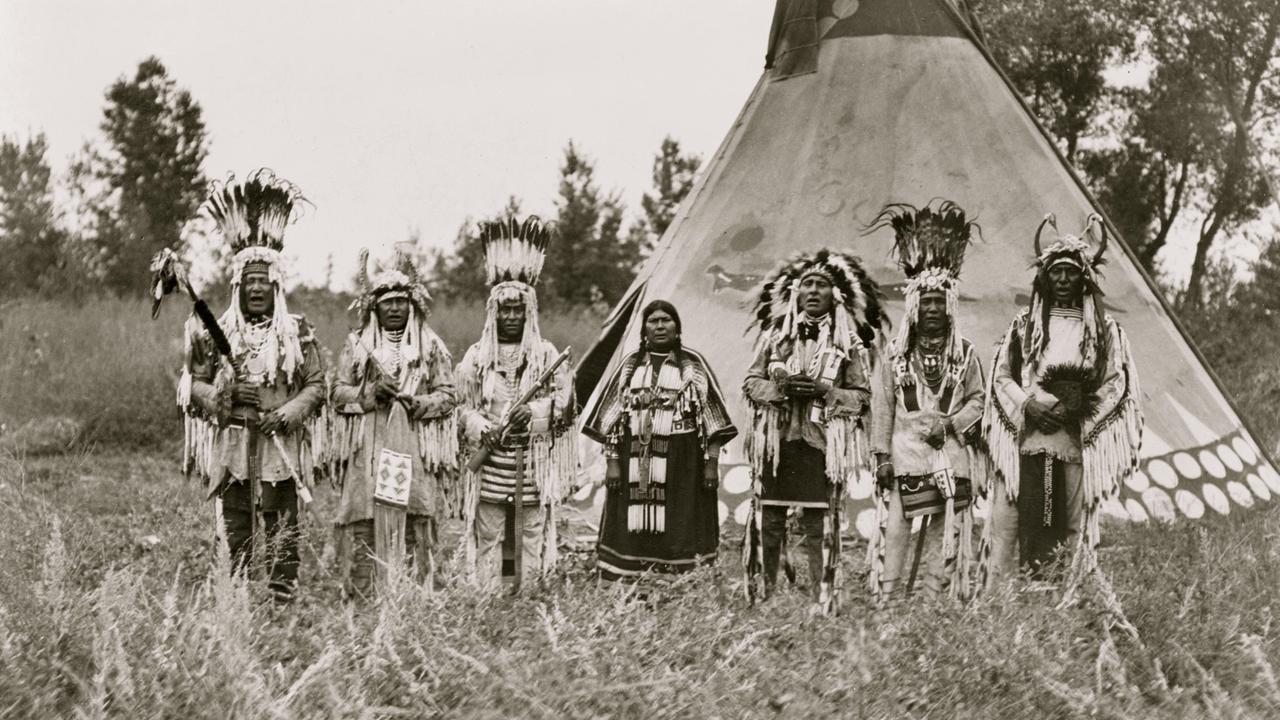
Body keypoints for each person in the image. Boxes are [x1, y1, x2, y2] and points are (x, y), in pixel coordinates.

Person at [179, 170, 325, 600]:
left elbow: (316, 385)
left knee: (283, 518)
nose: (257, 287)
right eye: (250, 281)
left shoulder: (298, 332)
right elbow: (192, 386)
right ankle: (237, 590)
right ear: (238, 287)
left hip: (280, 444)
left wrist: (288, 412)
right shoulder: (214, 332)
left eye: (265, 280)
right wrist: (224, 397)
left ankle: (282, 591)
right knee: (237, 518)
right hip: (235, 444)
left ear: (276, 285)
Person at [981, 214, 1142, 591]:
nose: (1064, 280)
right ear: (1045, 278)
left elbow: (1116, 382)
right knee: (1008, 521)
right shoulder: (1025, 326)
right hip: (1028, 434)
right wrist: (1028, 405)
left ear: (1084, 277)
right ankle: (1000, 608)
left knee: (1073, 522)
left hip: (1074, 438)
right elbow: (1001, 376)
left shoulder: (1104, 331)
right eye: (1057, 273)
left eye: (1071, 272)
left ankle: (1067, 604)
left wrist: (1076, 411)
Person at [742, 249, 885, 611]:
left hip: (820, 442)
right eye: (807, 285)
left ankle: (822, 596)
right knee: (770, 517)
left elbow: (861, 396)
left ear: (834, 296)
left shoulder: (847, 344)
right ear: (796, 294)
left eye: (821, 285)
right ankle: (766, 593)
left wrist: (826, 391)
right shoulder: (776, 338)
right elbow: (750, 381)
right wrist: (779, 390)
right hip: (778, 439)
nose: (813, 291)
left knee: (817, 523)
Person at [866, 201, 985, 601]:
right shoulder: (894, 354)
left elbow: (979, 400)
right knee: (898, 525)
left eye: (939, 301)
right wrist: (881, 456)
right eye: (926, 301)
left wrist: (950, 424)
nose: (932, 308)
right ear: (913, 307)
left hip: (950, 453)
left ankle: (935, 599)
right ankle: (889, 597)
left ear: (949, 305)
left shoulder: (965, 353)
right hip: (904, 454)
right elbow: (882, 406)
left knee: (946, 526)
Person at [455, 216, 576, 591]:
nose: (511, 316)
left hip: (531, 464)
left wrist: (535, 412)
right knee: (489, 533)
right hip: (490, 462)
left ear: (529, 312)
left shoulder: (546, 354)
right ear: (493, 312)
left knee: (529, 533)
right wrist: (481, 428)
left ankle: (528, 598)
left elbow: (566, 406)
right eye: (504, 309)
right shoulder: (476, 357)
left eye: (517, 309)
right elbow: (462, 408)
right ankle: (488, 597)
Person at [329, 248, 457, 598]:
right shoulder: (357, 347)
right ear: (375, 308)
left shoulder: (430, 347)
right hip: (369, 447)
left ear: (412, 305)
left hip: (412, 448)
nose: (396, 308)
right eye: (388, 303)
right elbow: (337, 393)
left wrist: (417, 402)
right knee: (366, 522)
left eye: (402, 301)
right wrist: (370, 392)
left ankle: (414, 595)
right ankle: (364, 595)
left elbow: (448, 395)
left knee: (414, 521)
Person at [582, 300, 738, 582]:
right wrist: (613, 463)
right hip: (634, 457)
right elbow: (609, 419)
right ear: (644, 329)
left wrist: (711, 464)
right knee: (633, 521)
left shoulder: (694, 365)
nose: (660, 325)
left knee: (679, 520)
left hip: (683, 458)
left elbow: (715, 422)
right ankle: (631, 576)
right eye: (653, 321)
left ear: (677, 328)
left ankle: (678, 579)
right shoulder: (630, 365)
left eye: (666, 320)